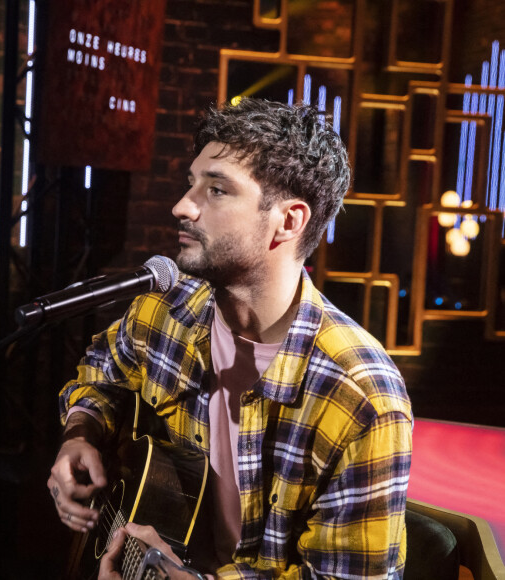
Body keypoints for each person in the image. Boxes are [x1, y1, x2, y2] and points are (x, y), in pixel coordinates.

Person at [48, 98, 413, 579]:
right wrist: (80, 433)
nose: (182, 206)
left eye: (216, 190)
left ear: (289, 220)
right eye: (191, 184)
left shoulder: (360, 398)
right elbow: (101, 372)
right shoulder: (166, 308)